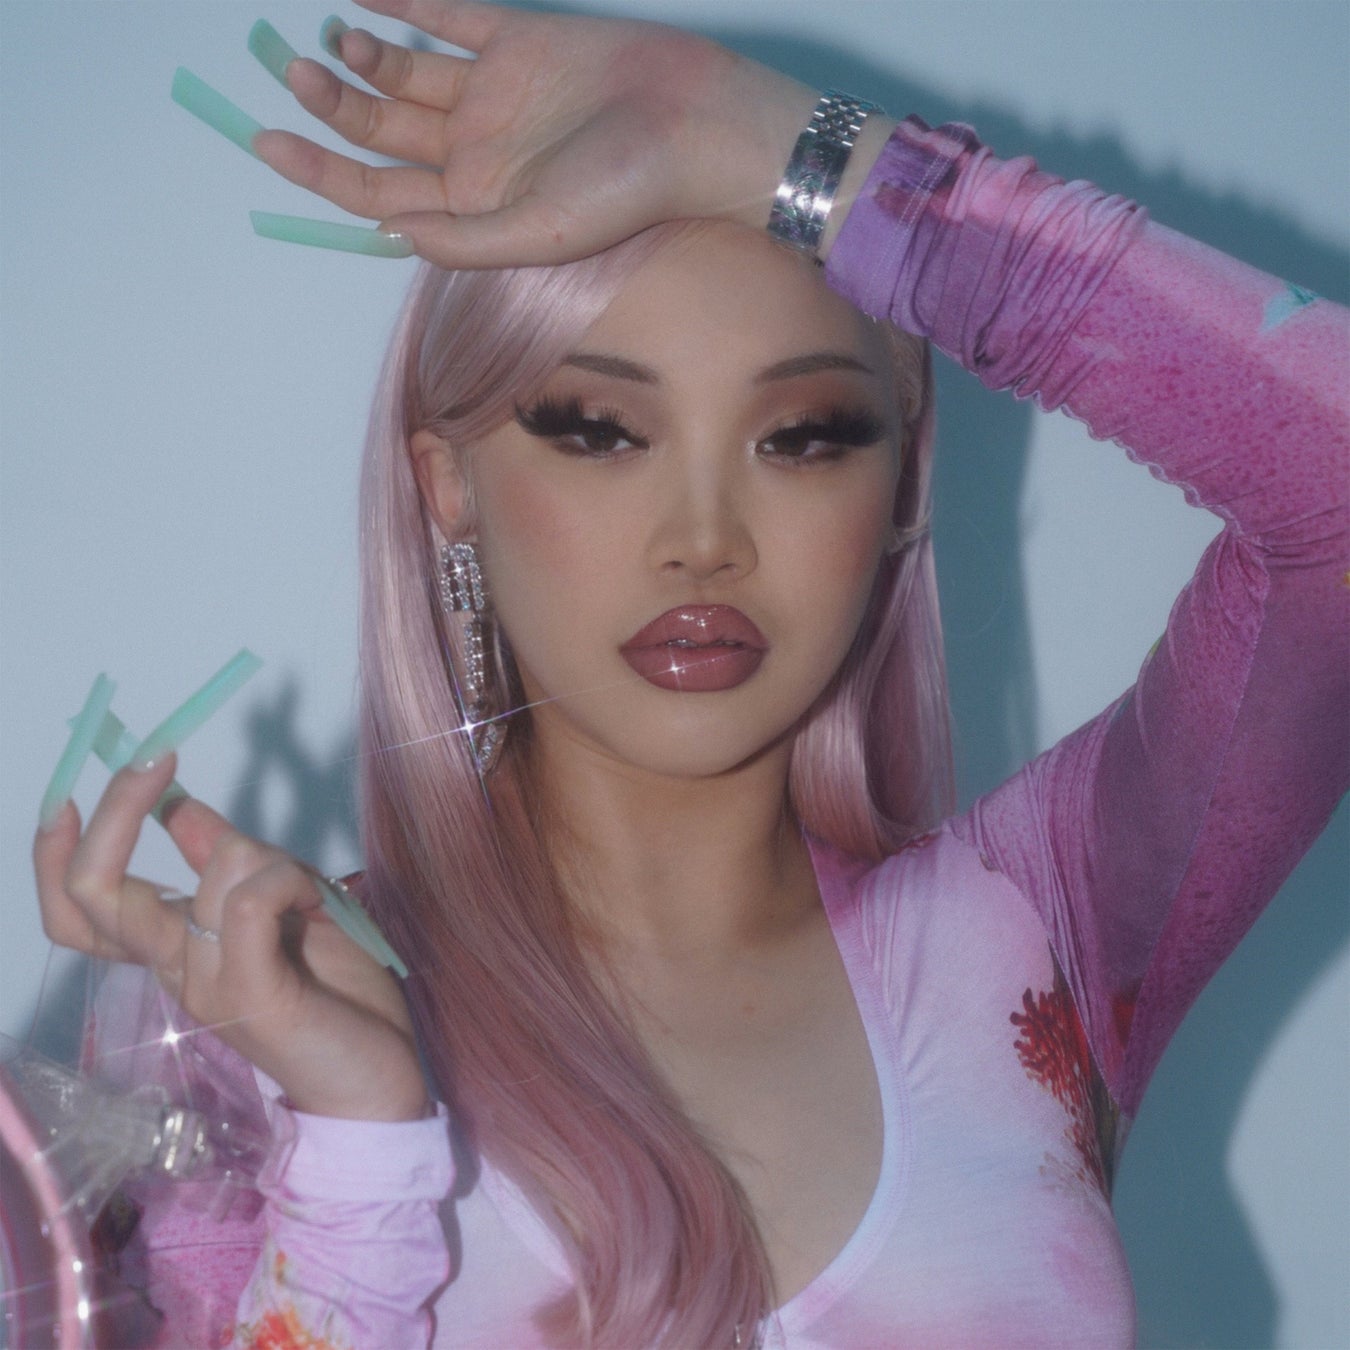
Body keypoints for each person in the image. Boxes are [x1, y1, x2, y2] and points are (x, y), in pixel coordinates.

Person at [32, 0, 1347, 1345]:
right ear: (448, 486)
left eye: (804, 435)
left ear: (904, 481)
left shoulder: (1032, 930)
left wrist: (779, 146)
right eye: (601, 430)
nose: (705, 538)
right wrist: (358, 1145)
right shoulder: (242, 1017)